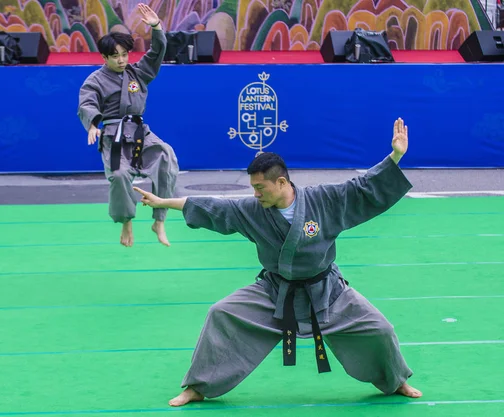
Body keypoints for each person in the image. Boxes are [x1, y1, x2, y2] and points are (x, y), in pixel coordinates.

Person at [134, 118, 423, 407]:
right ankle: (197, 386)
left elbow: (362, 188)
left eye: (261, 188)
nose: (255, 194)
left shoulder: (325, 200)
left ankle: (396, 381)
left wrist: (395, 155)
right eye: (253, 188)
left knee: (380, 329)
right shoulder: (252, 210)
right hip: (275, 291)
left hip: (327, 291)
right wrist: (162, 203)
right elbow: (212, 206)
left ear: (281, 182)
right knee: (221, 313)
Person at [77, 3, 179, 247]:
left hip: (140, 132)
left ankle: (159, 220)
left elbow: (156, 52)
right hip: (113, 136)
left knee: (166, 156)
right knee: (121, 175)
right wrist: (92, 124)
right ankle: (126, 222)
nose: (121, 60)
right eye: (115, 56)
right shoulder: (95, 80)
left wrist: (156, 27)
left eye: (124, 54)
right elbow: (86, 103)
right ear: (104, 57)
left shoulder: (138, 73)